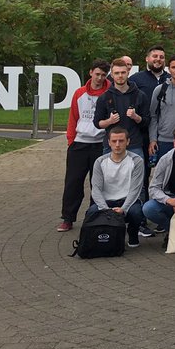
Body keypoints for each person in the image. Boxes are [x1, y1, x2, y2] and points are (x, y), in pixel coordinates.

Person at [58, 59, 110, 232]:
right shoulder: (79, 93)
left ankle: (93, 216)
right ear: (91, 72)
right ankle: (68, 218)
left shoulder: (110, 93)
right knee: (73, 183)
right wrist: (71, 140)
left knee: (98, 184)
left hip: (100, 144)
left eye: (103, 75)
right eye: (97, 74)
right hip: (79, 144)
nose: (100, 78)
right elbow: (73, 117)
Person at [86, 128, 146, 247]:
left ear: (128, 141)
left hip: (128, 200)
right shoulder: (100, 161)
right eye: (114, 141)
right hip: (106, 201)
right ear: (109, 142)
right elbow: (96, 189)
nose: (117, 144)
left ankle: (133, 235)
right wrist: (105, 210)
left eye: (121, 141)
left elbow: (135, 189)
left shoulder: (137, 161)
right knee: (91, 212)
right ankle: (100, 236)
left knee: (137, 212)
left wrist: (124, 209)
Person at [94, 57, 152, 160]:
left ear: (128, 73)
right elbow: (97, 123)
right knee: (109, 171)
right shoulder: (104, 97)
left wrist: (136, 117)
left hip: (134, 146)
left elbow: (147, 121)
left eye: (123, 72)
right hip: (111, 147)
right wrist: (109, 121)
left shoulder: (140, 95)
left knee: (136, 171)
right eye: (117, 73)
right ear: (112, 75)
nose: (120, 76)